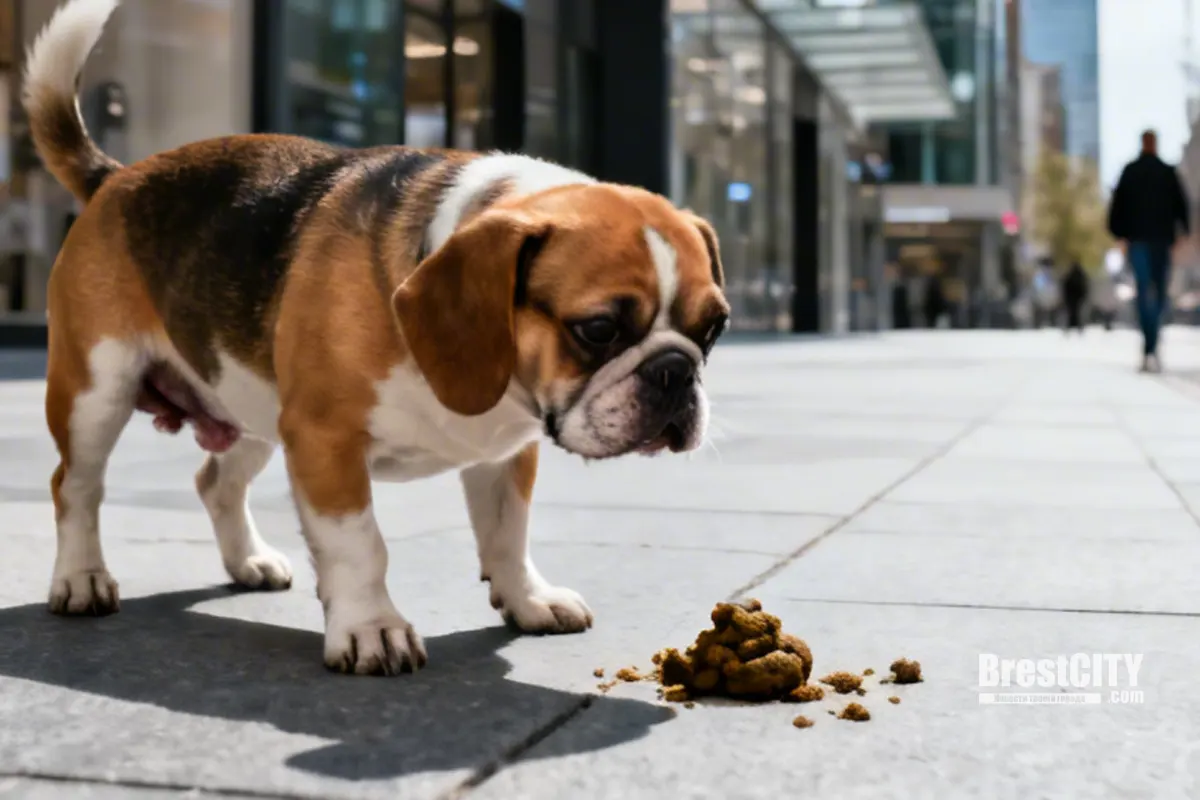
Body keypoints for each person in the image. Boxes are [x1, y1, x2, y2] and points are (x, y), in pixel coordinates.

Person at [1107, 129, 1191, 372]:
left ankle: (1150, 342)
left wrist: (1118, 233)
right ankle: (1151, 343)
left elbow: (1117, 205)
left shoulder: (1133, 172)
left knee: (1148, 291)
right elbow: (1181, 204)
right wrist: (1182, 231)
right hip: (1154, 241)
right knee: (1154, 290)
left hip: (1145, 241)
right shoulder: (1165, 172)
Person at [1061, 262, 1090, 334]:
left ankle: (1073, 326)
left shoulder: (1070, 277)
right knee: (1076, 313)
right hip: (1076, 299)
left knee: (1074, 313)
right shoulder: (1080, 277)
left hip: (1073, 299)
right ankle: (1075, 326)